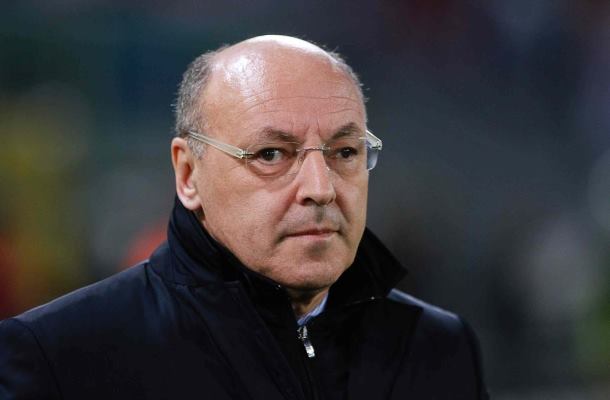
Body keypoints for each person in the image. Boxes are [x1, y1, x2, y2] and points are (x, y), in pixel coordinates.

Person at [0, 35, 488, 399]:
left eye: (344, 151)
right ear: (188, 174)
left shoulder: (440, 348)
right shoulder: (57, 358)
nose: (320, 189)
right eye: (271, 154)